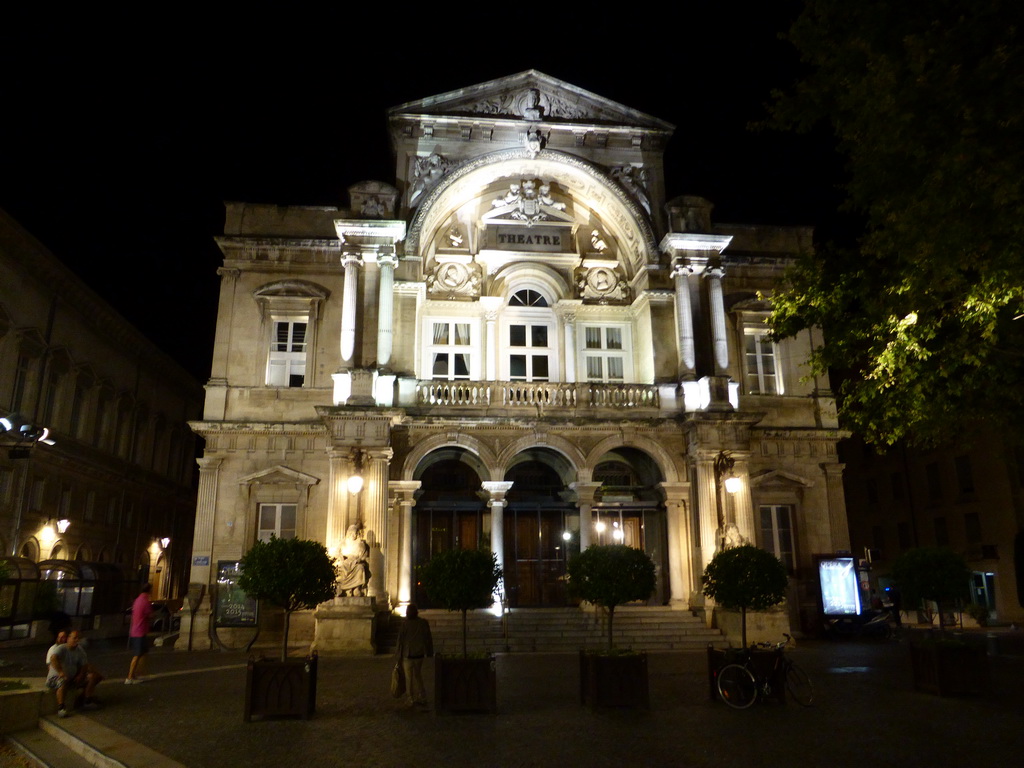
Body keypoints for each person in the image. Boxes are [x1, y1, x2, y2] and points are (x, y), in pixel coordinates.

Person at [47, 630, 103, 717]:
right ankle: (61, 707)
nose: (76, 640)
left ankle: (86, 700)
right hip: (57, 678)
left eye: (78, 638)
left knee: (93, 677)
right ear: (69, 638)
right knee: (62, 682)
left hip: (72, 678)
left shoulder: (79, 650)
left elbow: (84, 665)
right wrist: (61, 672)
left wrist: (81, 675)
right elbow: (53, 659)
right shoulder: (61, 648)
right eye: (74, 638)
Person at [395, 604, 433, 708]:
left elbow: (400, 641)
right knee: (418, 675)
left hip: (408, 654)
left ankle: (410, 698)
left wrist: (398, 655)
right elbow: (428, 639)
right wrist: (429, 652)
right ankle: (422, 696)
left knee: (409, 678)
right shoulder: (423, 623)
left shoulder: (405, 625)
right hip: (419, 654)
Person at [126, 582, 153, 684]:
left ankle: (139, 674)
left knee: (142, 653)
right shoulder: (145, 601)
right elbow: (150, 615)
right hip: (140, 631)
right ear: (149, 590)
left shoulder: (137, 600)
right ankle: (129, 677)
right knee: (137, 655)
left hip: (136, 630)